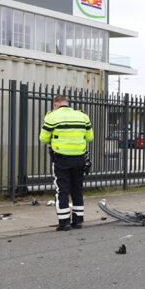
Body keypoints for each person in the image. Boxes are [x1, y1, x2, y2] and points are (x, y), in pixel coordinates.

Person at [39, 95, 93, 231]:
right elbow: (89, 137)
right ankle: (78, 221)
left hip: (62, 159)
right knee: (77, 189)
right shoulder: (83, 116)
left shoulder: (52, 117)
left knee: (62, 190)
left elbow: (43, 139)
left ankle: (64, 223)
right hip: (79, 159)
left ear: (56, 105)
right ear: (67, 103)